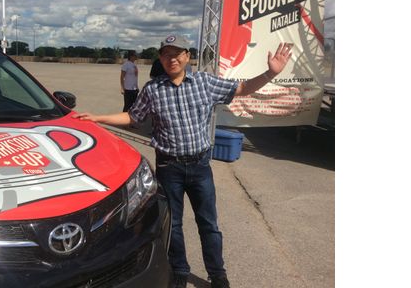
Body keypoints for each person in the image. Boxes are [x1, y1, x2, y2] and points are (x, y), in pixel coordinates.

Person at [73, 34, 293, 288]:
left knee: (208, 223)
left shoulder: (204, 83)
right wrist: (98, 118)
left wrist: (270, 74)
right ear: (161, 59)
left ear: (188, 56)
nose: (172, 58)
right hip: (169, 168)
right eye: (166, 54)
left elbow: (241, 89)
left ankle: (217, 273)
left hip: (200, 167)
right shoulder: (153, 90)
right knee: (174, 224)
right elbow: (132, 117)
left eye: (178, 53)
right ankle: (179, 269)